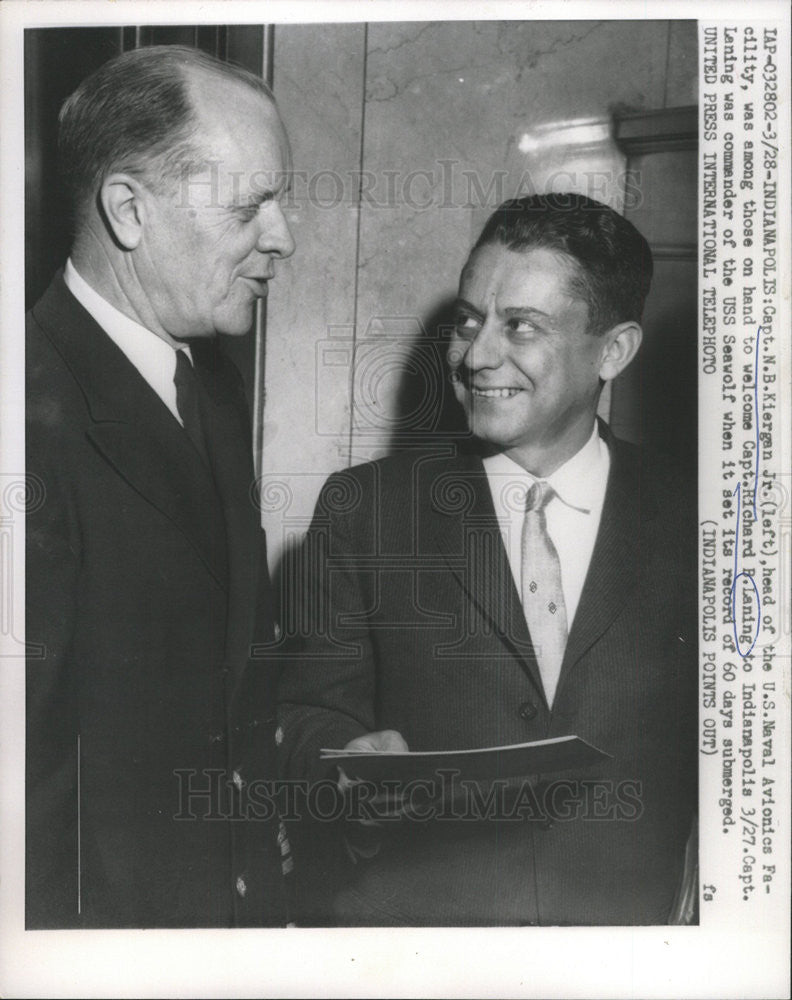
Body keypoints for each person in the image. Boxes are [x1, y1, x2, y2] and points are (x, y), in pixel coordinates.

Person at [277, 194, 697, 926]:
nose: (475, 356)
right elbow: (306, 713)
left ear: (614, 350)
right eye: (469, 321)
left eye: (520, 327)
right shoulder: (366, 511)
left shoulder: (703, 518)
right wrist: (347, 764)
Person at [26, 45, 295, 928]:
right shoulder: (28, 406)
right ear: (128, 210)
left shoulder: (203, 385)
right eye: (252, 204)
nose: (283, 236)